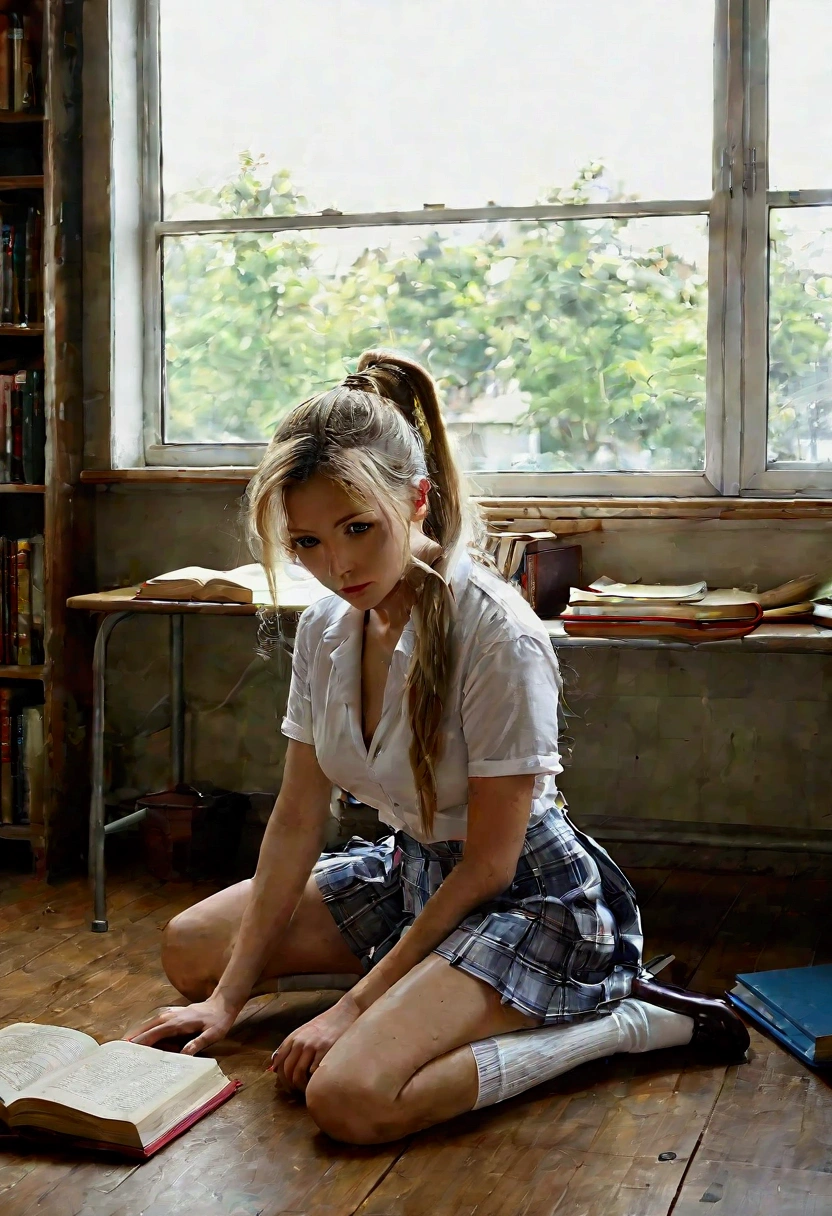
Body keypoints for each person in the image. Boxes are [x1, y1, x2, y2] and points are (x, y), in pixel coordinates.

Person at [130, 350, 749, 1145]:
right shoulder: (326, 625)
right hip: (411, 872)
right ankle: (431, 998)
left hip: (526, 899)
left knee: (350, 1099)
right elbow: (293, 817)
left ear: (416, 500)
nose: (338, 564)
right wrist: (227, 999)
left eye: (359, 529)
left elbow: (489, 866)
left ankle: (615, 1022)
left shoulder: (497, 634)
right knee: (195, 954)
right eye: (308, 542)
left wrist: (353, 1011)